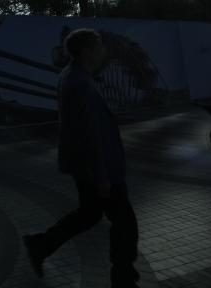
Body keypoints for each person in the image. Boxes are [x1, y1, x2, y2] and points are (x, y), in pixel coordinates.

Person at [23, 28, 139, 288]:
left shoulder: (70, 76)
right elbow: (90, 134)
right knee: (125, 223)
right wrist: (102, 176)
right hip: (100, 169)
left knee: (89, 214)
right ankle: (123, 279)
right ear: (87, 51)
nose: (103, 51)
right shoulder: (80, 84)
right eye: (99, 46)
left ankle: (41, 244)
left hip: (84, 166)